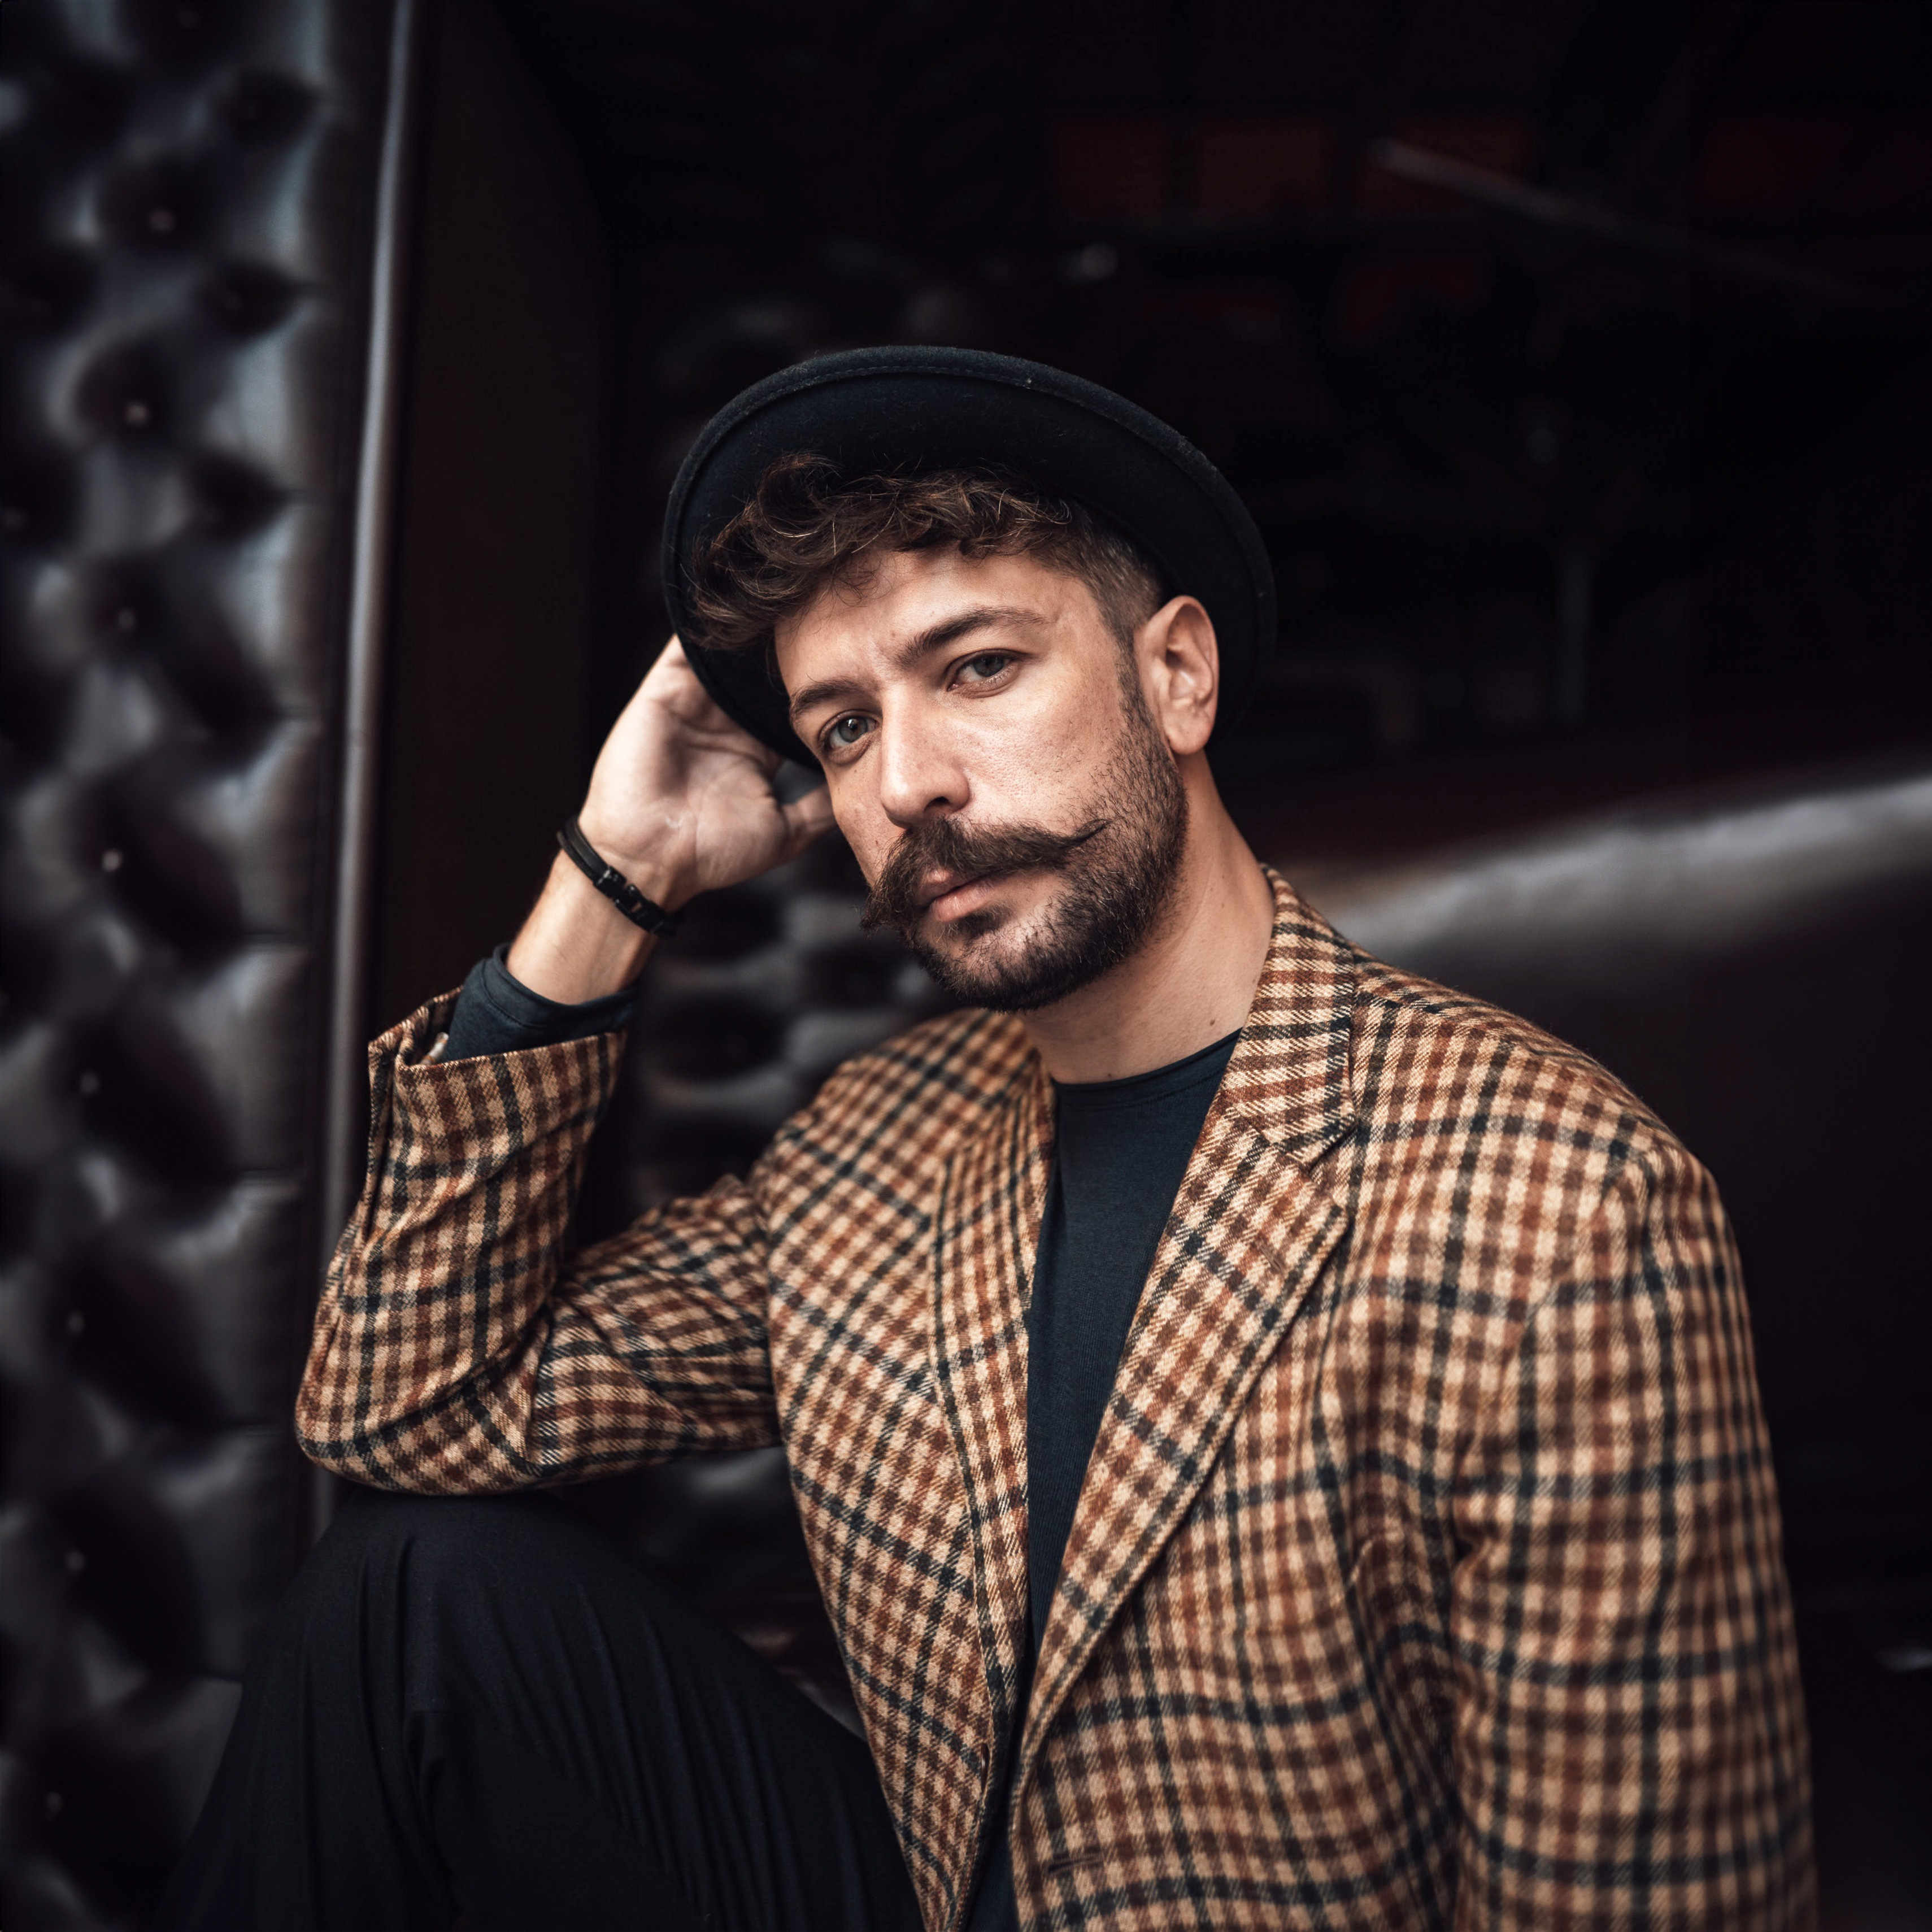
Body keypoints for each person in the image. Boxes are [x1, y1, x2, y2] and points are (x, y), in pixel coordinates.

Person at [156, 349, 1812, 1931]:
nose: (908, 785)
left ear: (1177, 674)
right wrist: (613, 877)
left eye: (977, 669)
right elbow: (404, 1404)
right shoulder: (877, 1141)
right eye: (842, 728)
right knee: (406, 1590)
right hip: (936, 1891)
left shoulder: (1561, 1208)